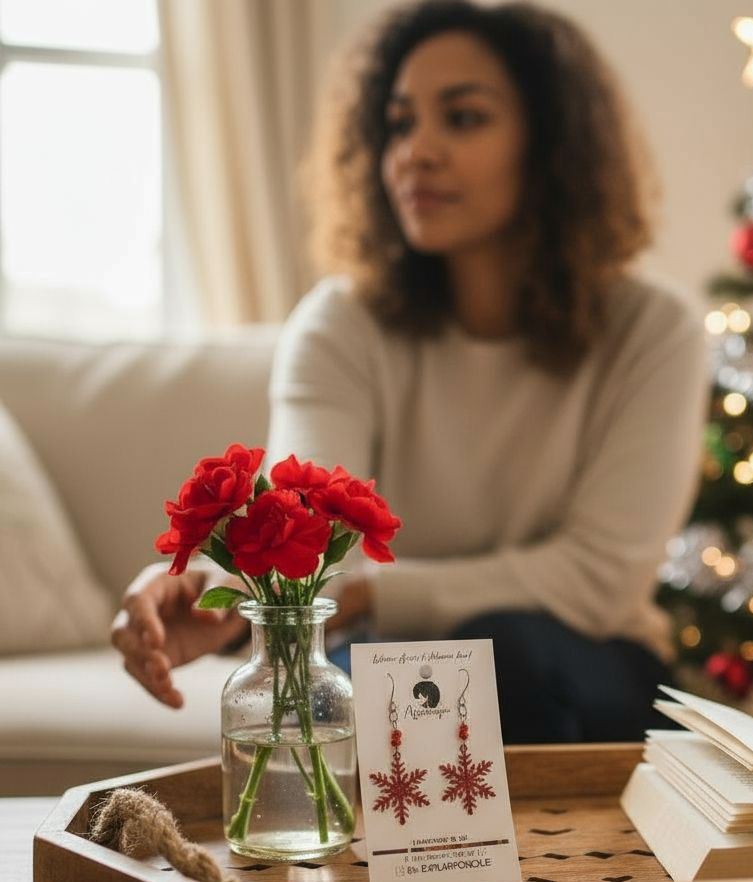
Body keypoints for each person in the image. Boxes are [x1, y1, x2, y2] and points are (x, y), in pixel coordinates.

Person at [111, 0, 708, 743]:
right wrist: (219, 598)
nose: (414, 152)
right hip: (392, 659)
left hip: (586, 662)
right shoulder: (340, 325)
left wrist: (372, 592)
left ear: (550, 145)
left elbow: (599, 578)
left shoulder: (655, 330)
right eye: (398, 124)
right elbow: (304, 531)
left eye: (462, 118)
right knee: (402, 685)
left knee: (494, 661)